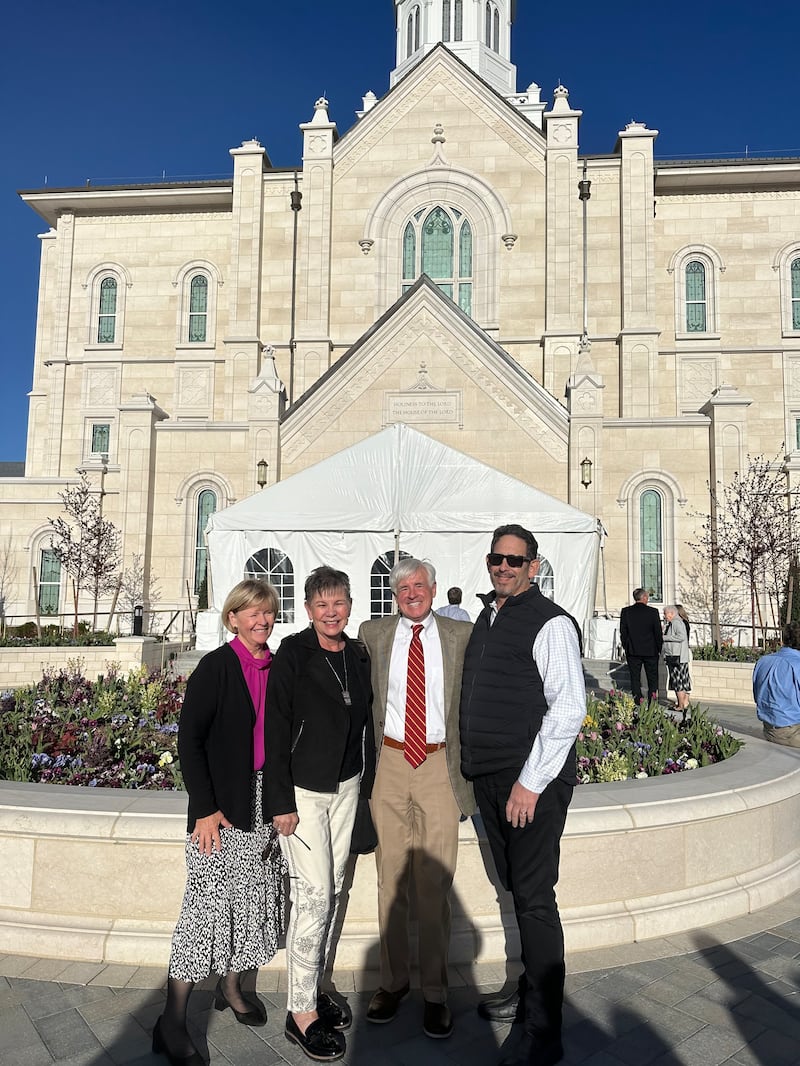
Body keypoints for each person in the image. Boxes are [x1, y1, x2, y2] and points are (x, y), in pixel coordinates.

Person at [460, 524, 585, 1066]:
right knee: (515, 889)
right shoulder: (490, 616)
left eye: (515, 560)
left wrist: (530, 784)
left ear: (534, 566)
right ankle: (527, 988)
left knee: (534, 900)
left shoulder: (551, 622)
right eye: (497, 558)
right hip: (490, 778)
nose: (504, 566)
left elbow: (568, 708)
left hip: (528, 783)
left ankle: (544, 1030)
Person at [154, 579, 286, 1066]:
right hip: (220, 809)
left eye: (268, 612)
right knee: (205, 912)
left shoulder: (276, 667)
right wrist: (206, 808)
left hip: (262, 803)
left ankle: (230, 986)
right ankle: (172, 1019)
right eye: (250, 613)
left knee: (250, 902)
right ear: (232, 618)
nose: (261, 620)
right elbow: (190, 742)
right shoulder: (216, 668)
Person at [358, 558, 474, 1040]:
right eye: (402, 586)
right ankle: (392, 982)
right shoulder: (373, 633)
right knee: (390, 880)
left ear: (433, 587)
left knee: (435, 884)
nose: (411, 592)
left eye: (419, 584)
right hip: (389, 761)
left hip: (438, 764)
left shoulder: (459, 635)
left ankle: (435, 993)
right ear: (393, 592)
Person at [265, 566, 375, 1063]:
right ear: (308, 609)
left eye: (339, 603)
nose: (332, 613)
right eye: (321, 605)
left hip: (348, 785)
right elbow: (276, 725)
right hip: (305, 794)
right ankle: (300, 1010)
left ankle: (315, 986)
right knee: (312, 896)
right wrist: (279, 801)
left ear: (350, 605)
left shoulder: (357, 654)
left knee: (336, 889)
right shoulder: (294, 652)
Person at [752, 621, 800, 748]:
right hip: (792, 732)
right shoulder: (797, 664)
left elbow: (757, 696)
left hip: (768, 730)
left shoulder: (763, 661)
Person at [619, 588, 663, 703]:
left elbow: (623, 632)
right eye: (647, 597)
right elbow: (657, 632)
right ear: (643, 598)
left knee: (635, 677)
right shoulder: (653, 612)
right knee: (652, 678)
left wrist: (626, 646)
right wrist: (659, 648)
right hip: (650, 650)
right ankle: (652, 700)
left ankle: (637, 699)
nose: (647, 599)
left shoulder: (626, 612)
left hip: (633, 650)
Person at [662, 605, 691, 713]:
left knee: (678, 681)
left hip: (676, 656)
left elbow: (681, 636)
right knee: (681, 681)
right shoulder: (674, 622)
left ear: (671, 613)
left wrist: (664, 637)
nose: (664, 616)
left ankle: (680, 705)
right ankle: (681, 703)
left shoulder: (676, 622)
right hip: (678, 656)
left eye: (665, 614)